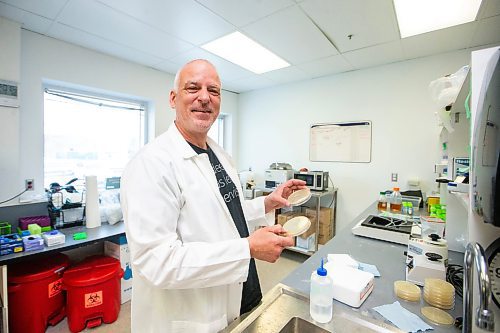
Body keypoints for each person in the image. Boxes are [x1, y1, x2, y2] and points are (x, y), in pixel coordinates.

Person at [121, 59, 307, 333]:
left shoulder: (218, 155)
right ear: (173, 98)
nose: (205, 98)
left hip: (239, 295)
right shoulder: (152, 163)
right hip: (190, 317)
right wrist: (247, 248)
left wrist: (267, 202)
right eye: (193, 88)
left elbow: (226, 212)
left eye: (214, 90)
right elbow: (156, 261)